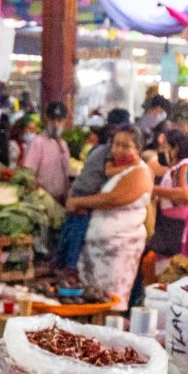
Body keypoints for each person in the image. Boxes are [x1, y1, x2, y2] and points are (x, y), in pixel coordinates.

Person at [67, 124, 152, 303]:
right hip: (98, 252)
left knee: (111, 303)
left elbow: (113, 199)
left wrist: (78, 202)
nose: (119, 150)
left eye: (126, 146)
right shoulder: (116, 169)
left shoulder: (140, 172)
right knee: (93, 301)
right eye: (116, 144)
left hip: (118, 252)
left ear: (138, 148)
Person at [61, 108, 131, 272]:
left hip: (78, 191)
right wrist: (134, 167)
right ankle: (70, 268)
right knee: (78, 238)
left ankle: (63, 264)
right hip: (86, 196)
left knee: (70, 235)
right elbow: (107, 175)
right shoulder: (108, 154)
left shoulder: (96, 149)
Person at [144, 127, 188, 268]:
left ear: (175, 148)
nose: (162, 152)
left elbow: (185, 195)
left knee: (178, 272)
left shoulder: (184, 164)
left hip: (180, 229)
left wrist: (152, 189)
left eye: (165, 147)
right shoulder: (175, 167)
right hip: (170, 227)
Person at [19, 101, 72, 203]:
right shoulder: (37, 143)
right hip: (42, 200)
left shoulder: (63, 145)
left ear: (65, 121)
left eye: (59, 120)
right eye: (52, 120)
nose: (56, 124)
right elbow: (28, 175)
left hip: (61, 200)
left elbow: (66, 174)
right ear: (47, 118)